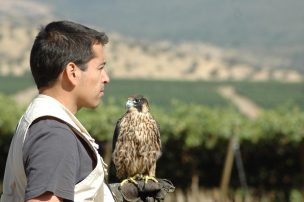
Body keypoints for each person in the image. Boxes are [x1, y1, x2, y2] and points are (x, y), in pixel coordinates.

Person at [0, 20, 115, 202]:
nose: (106, 78)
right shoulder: (54, 134)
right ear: (72, 72)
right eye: (100, 68)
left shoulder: (42, 119)